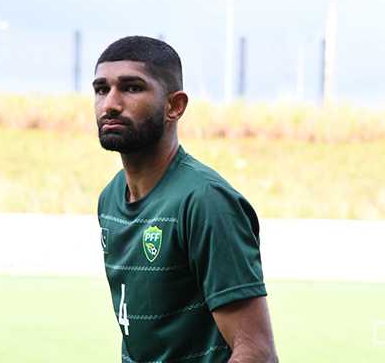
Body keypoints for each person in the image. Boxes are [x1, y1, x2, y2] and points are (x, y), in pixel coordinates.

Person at [94, 36, 277, 363]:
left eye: (132, 88)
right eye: (101, 89)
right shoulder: (110, 199)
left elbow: (257, 352)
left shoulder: (205, 201)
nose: (110, 104)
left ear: (174, 106)